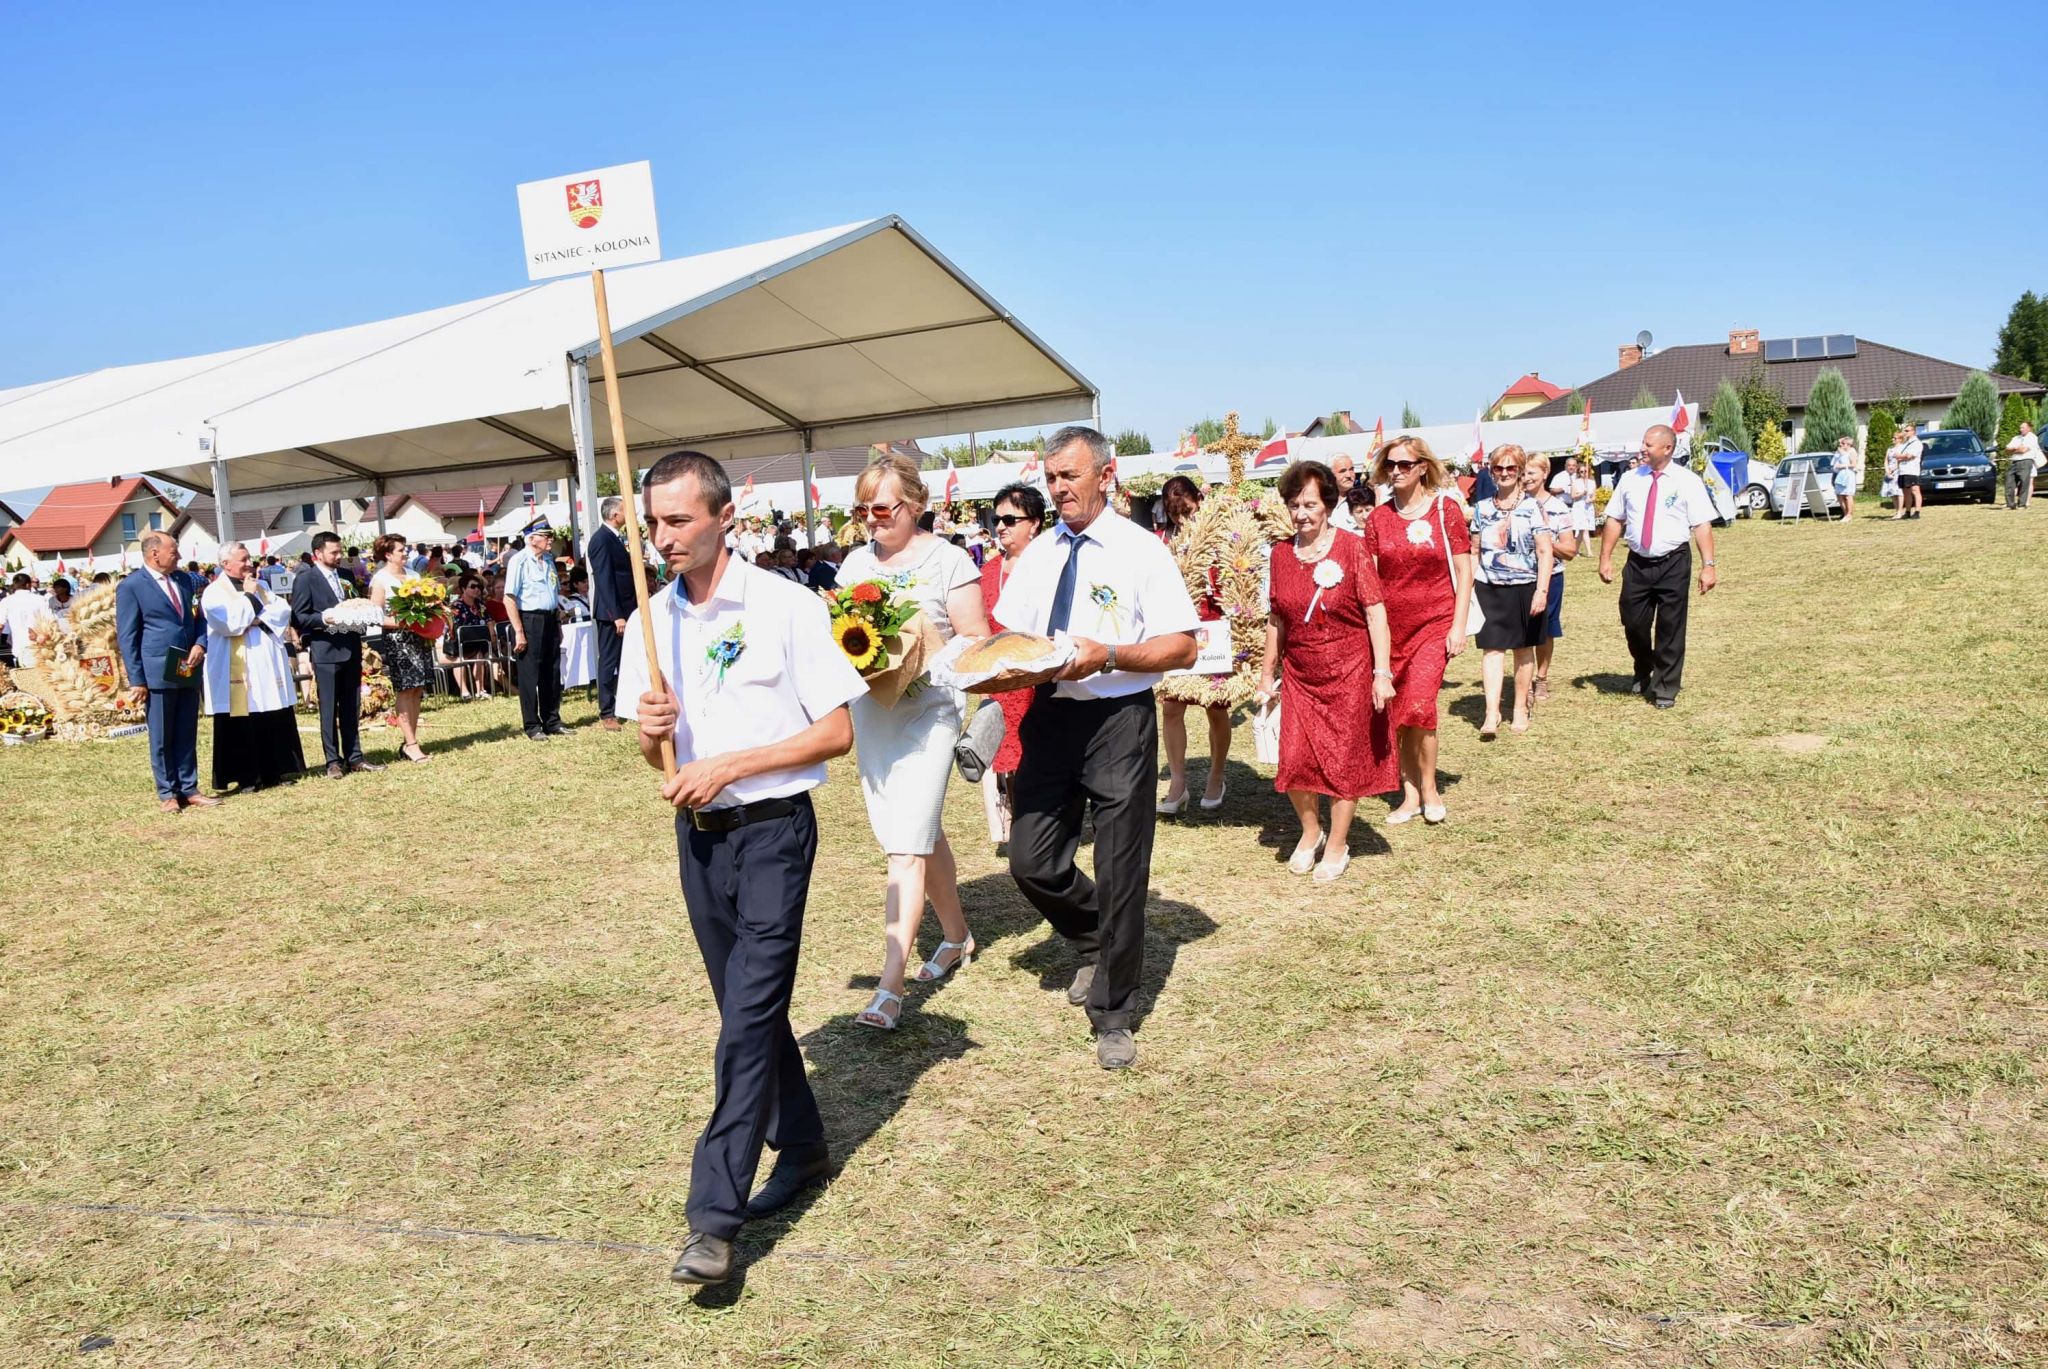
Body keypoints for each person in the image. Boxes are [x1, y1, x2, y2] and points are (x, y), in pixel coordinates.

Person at [617, 450, 866, 1288]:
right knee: (745, 1008)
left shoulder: (785, 605)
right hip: (699, 839)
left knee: (746, 1019)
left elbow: (836, 731)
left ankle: (712, 1221)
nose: (663, 538)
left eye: (678, 520)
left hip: (773, 834)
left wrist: (733, 764)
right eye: (654, 523)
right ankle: (803, 1143)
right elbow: (652, 750)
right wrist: (655, 730)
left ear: (725, 516)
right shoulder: (652, 621)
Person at [995, 426, 1200, 1070]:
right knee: (1031, 861)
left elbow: (1183, 646)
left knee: (1120, 868)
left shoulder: (1141, 550)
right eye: (1051, 478)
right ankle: (1093, 938)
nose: (1057, 490)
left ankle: (1113, 1009)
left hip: (1119, 720)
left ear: (1104, 477)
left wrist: (1108, 654)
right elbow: (1014, 637)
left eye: (1069, 477)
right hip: (1051, 717)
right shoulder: (1040, 553)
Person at [837, 454, 990, 1031]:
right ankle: (957, 937)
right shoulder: (852, 564)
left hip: (931, 713)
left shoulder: (951, 561)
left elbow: (975, 642)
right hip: (875, 714)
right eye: (862, 511)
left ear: (917, 505)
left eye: (882, 508)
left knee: (905, 849)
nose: (871, 520)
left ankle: (890, 986)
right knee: (920, 835)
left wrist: (922, 653)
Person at [1254, 461, 1396, 882]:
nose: (1301, 513)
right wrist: (1267, 675)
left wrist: (1382, 673)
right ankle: (1311, 831)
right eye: (1294, 504)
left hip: (1350, 672)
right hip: (1300, 674)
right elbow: (1277, 620)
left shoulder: (1351, 548)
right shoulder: (1281, 555)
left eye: (1310, 504)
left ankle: (1337, 842)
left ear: (1329, 505)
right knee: (1294, 758)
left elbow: (1376, 614)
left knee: (1342, 762)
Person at [1362, 436, 1472, 825]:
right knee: (1398, 713)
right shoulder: (1377, 519)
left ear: (1423, 467)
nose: (1396, 472)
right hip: (1391, 631)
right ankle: (1408, 793)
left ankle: (1430, 788)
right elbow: (1371, 577)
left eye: (1405, 465)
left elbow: (1464, 570)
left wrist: (1458, 626)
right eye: (1390, 465)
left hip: (1434, 624)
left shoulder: (1446, 510)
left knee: (1421, 706)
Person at [1598, 424, 1719, 709]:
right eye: (1643, 442)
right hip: (1638, 563)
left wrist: (1708, 565)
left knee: (1671, 626)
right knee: (1633, 621)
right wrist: (1605, 557)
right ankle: (1644, 667)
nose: (1643, 448)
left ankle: (1665, 687)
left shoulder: (1687, 481)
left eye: (1649, 444)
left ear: (1668, 448)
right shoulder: (1629, 479)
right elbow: (1615, 519)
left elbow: (1702, 524)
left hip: (1673, 561)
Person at [115, 531, 215, 812]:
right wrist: (138, 679)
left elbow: (198, 619)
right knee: (161, 734)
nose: (179, 556)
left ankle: (189, 788)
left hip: (186, 665)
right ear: (154, 553)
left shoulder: (185, 579)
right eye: (174, 551)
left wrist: (200, 643)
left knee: (186, 730)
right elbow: (127, 636)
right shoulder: (131, 586)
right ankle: (167, 793)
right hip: (157, 669)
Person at [1151, 474, 1233, 813]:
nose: (1182, 520)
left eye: (1187, 511)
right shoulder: (1159, 542)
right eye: (1174, 514)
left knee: (1216, 707)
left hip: (1212, 632)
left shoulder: (1220, 538)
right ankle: (1179, 783)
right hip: (1174, 631)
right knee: (1171, 708)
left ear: (1200, 502)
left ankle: (1216, 775)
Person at [200, 543, 305, 791]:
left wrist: (254, 615)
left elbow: (281, 611)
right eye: (243, 559)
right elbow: (230, 624)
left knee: (270, 711)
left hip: (264, 660)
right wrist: (249, 598)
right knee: (241, 717)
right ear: (225, 564)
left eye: (250, 558)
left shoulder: (263, 585)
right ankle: (247, 776)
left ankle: (275, 772)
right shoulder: (214, 592)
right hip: (234, 665)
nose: (249, 563)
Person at [1468, 444, 1553, 738]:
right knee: (1492, 650)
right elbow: (1474, 550)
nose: (1504, 474)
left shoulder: (1532, 507)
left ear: (1519, 471)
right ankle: (1492, 712)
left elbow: (1545, 551)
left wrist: (1542, 591)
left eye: (1510, 468)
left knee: (1523, 649)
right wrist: (1467, 589)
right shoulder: (1482, 508)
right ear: (1491, 472)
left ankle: (1519, 708)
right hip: (1489, 587)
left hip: (1525, 587)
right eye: (1498, 468)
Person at [976, 482, 1044, 851]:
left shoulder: (1051, 564)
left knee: (1038, 752)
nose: (1000, 526)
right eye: (995, 519)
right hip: (998, 677)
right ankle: (1010, 823)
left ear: (1033, 523)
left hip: (1043, 676)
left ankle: (1040, 820)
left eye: (1009, 519)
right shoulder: (987, 571)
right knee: (1002, 752)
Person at [290, 530, 379, 778]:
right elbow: (299, 615)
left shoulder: (346, 575)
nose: (339, 556)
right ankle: (333, 760)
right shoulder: (306, 578)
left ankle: (355, 757)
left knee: (351, 705)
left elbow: (354, 604)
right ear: (318, 553)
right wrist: (324, 618)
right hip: (326, 650)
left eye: (340, 551)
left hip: (351, 646)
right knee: (329, 708)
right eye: (334, 552)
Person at [366, 533, 433, 763]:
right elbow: (375, 616)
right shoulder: (381, 579)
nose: (405, 553)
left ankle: (409, 741)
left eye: (405, 549)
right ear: (388, 554)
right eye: (401, 550)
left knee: (417, 689)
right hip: (397, 639)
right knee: (406, 689)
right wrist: (403, 622)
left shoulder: (414, 575)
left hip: (419, 637)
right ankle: (412, 744)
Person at [1521, 454, 1578, 705]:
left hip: (1551, 577)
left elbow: (1570, 551)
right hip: (1520, 578)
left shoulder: (1558, 507)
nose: (1526, 478)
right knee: (1522, 632)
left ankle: (1541, 678)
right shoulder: (1516, 506)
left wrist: (1544, 541)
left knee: (1545, 632)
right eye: (1523, 473)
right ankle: (1524, 681)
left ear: (1545, 474)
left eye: (1531, 473)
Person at [505, 521, 566, 740]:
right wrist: (519, 631)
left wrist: (557, 622)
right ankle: (532, 725)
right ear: (532, 539)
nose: (550, 539)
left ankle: (552, 720)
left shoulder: (548, 560)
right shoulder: (519, 561)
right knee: (531, 673)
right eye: (545, 535)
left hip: (549, 618)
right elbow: (509, 597)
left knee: (552, 671)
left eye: (551, 536)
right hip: (529, 619)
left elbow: (553, 593)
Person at [587, 496, 637, 731]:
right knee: (609, 661)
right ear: (614, 515)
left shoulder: (614, 538)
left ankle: (626, 704)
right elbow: (604, 580)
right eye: (625, 511)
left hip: (626, 609)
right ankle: (607, 711)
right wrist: (615, 614)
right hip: (611, 614)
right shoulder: (601, 540)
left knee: (627, 660)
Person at [440, 574, 492, 699]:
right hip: (458, 644)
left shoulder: (480, 605)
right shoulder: (456, 606)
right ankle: (465, 692)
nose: (476, 590)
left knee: (479, 654)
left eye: (478, 587)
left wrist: (492, 634)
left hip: (477, 642)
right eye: (472, 587)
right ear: (463, 589)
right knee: (461, 657)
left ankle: (480, 690)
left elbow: (489, 620)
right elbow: (454, 628)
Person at [3, 572, 47, 667]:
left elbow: (1, 624)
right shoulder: (40, 599)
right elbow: (49, 621)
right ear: (28, 584)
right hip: (41, 645)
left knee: (24, 679)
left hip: (19, 647)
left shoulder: (6, 601)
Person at [1888, 424, 1925, 521]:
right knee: (1906, 492)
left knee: (1915, 490)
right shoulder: (1905, 444)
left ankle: (1917, 512)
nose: (1905, 432)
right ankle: (1907, 512)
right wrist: (1902, 456)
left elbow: (1910, 456)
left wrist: (1901, 456)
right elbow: (1896, 454)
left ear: (1913, 432)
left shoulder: (1917, 443)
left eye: (1907, 431)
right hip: (1903, 470)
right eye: (1905, 430)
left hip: (1912, 470)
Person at [2004, 421, 2040, 509]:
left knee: (2024, 483)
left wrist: (2013, 450)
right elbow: (2006, 450)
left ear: (2029, 428)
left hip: (2026, 461)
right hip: (2014, 462)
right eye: (2020, 428)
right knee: (2009, 482)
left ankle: (2022, 504)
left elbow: (2023, 450)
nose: (2021, 429)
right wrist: (2015, 449)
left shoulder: (2032, 438)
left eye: (2023, 428)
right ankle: (2010, 504)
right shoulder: (2016, 438)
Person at [1831, 435, 1864, 520]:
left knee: (1848, 495)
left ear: (1848, 444)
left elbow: (1853, 464)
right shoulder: (1840, 452)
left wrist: (1841, 466)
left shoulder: (1851, 452)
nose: (1841, 445)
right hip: (1840, 474)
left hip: (1848, 474)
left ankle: (1849, 514)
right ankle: (1845, 513)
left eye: (1843, 443)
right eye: (1841, 443)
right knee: (1840, 494)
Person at [1329, 453, 1361, 530]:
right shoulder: (1322, 501)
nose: (1349, 475)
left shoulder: (1362, 499)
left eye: (1351, 469)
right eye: (1342, 471)